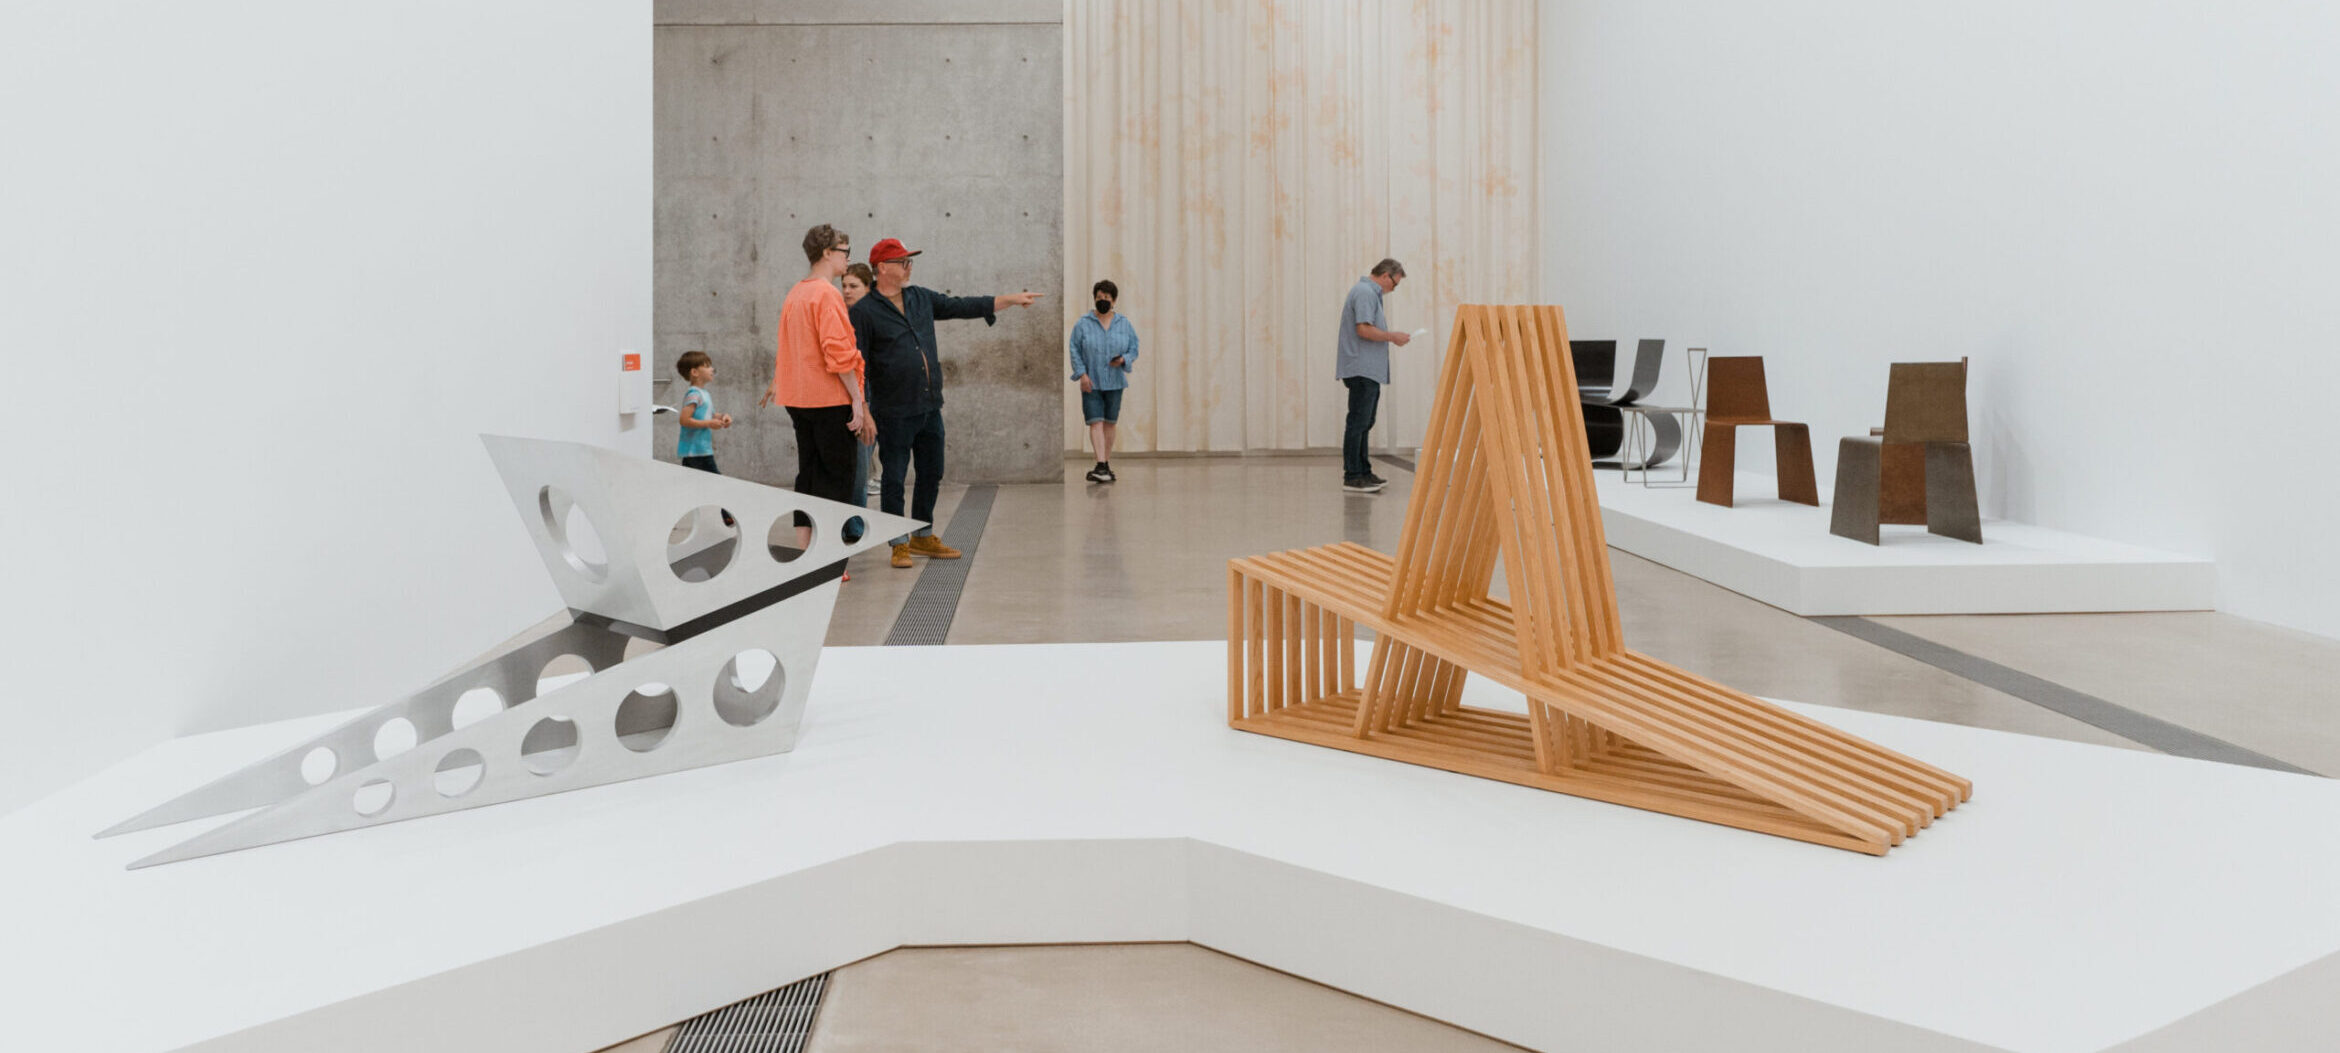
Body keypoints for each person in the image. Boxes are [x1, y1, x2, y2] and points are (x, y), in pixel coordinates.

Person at [850, 237, 1042, 569]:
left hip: (928, 406)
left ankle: (923, 534)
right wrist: (863, 409)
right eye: (903, 262)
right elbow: (858, 364)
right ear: (882, 268)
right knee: (894, 477)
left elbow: (961, 306)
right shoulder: (865, 312)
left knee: (932, 470)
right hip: (892, 410)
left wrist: (1007, 300)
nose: (910, 267)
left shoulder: (920, 298)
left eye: (910, 262)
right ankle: (898, 542)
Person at [759, 224, 876, 554]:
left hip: (799, 400)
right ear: (827, 253)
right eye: (845, 251)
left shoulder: (796, 292)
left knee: (809, 474)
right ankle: (827, 557)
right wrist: (857, 399)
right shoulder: (826, 294)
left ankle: (807, 551)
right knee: (837, 479)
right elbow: (839, 354)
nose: (847, 259)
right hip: (828, 400)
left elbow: (788, 349)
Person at [1335, 258, 1410, 493]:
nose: (1393, 289)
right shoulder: (1365, 292)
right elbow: (1363, 329)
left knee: (1365, 422)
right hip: (1361, 368)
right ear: (1386, 275)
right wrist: (1392, 336)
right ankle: (1353, 474)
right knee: (1358, 422)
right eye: (1394, 284)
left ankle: (1363, 471)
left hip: (1367, 369)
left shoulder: (1368, 293)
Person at [1069, 279, 1139, 483]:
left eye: (1106, 298)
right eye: (1099, 298)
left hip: (1115, 382)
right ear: (1094, 299)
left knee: (1110, 423)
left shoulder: (1124, 324)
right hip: (1091, 382)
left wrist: (1124, 359)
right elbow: (1074, 349)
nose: (1102, 301)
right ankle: (1100, 464)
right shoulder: (1083, 323)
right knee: (1095, 422)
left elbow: (1134, 348)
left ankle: (1105, 464)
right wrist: (1082, 374)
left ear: (1114, 301)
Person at [840, 262, 881, 502]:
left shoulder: (871, 316)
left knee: (863, 461)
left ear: (867, 288)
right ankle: (854, 523)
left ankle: (855, 520)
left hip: (875, 393)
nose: (846, 291)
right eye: (844, 285)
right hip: (853, 396)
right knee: (857, 464)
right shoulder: (841, 317)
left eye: (853, 286)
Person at [674, 350, 732, 473]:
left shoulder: (704, 393)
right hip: (694, 452)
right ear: (694, 372)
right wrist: (709, 424)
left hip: (703, 450)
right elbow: (684, 420)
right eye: (707, 366)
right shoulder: (694, 394)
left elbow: (710, 415)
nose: (712, 369)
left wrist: (722, 417)